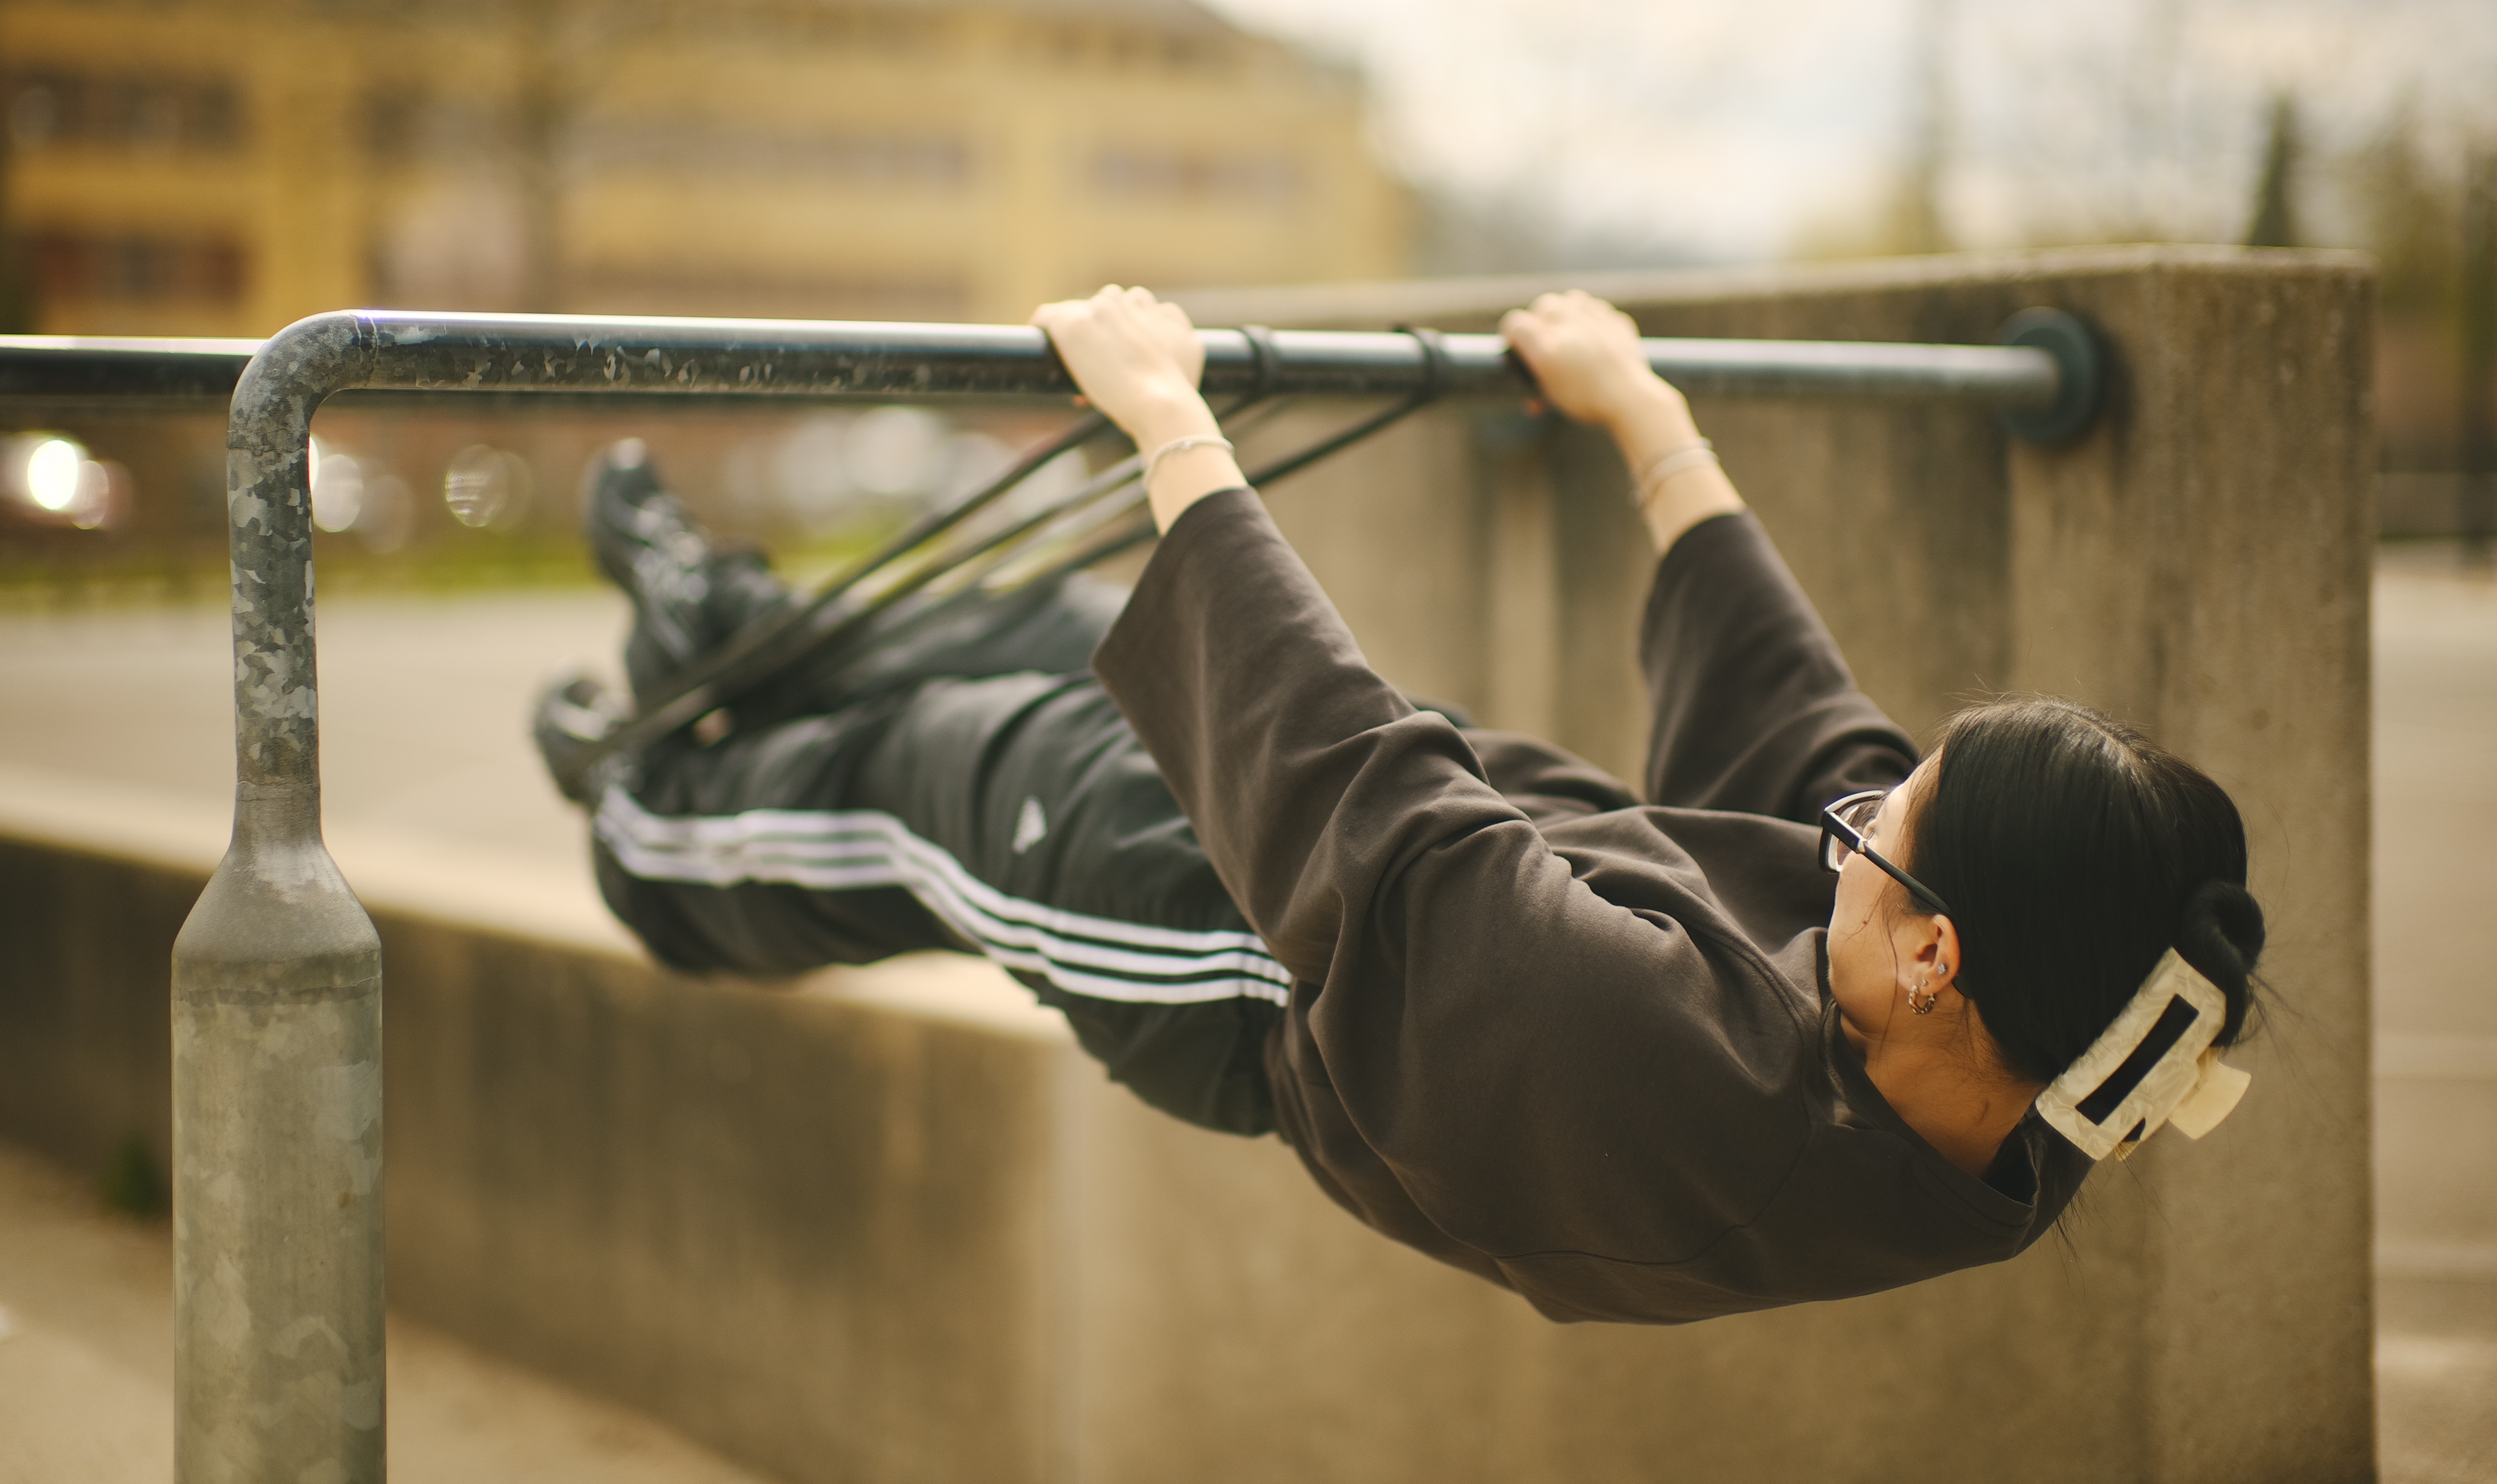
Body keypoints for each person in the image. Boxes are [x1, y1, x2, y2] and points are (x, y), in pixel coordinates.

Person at [532, 286, 2267, 1325]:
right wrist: (1644, 411)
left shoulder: (1694, 1094)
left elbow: (1364, 803)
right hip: (1373, 864)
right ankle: (727, 635)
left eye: (1881, 834)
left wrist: (1166, 417)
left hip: (1241, 949)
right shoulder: (2039, 1058)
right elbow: (1805, 732)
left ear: (1935, 954)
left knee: (933, 778)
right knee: (1059, 627)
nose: (1851, 816)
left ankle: (646, 826)